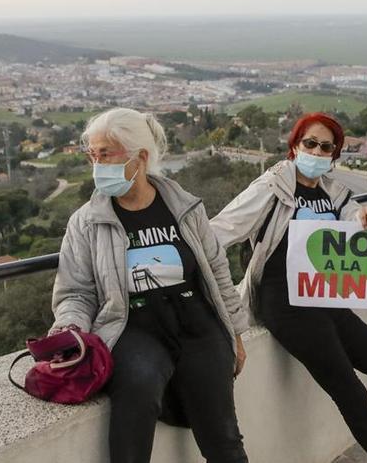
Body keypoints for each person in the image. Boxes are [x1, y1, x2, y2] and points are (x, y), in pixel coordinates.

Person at [50, 108, 250, 463]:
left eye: (106, 154)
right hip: (133, 326)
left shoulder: (186, 208)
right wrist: (69, 330)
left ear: (139, 158)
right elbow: (75, 291)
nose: (97, 165)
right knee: (136, 395)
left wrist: (235, 332)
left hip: (197, 324)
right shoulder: (86, 222)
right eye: (92, 155)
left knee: (224, 438)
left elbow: (217, 270)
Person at [211, 112, 367, 463]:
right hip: (286, 304)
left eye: (326, 147)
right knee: (352, 394)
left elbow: (352, 218)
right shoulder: (272, 187)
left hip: (326, 300)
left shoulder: (333, 192)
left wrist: (363, 217)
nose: (317, 152)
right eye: (310, 143)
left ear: (334, 155)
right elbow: (220, 230)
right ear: (295, 145)